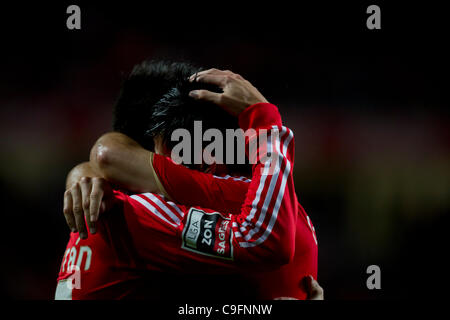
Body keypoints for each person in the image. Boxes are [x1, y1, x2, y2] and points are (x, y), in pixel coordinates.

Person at [57, 62, 319, 299]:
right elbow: (109, 155)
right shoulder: (132, 212)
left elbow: (108, 155)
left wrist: (83, 170)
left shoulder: (111, 206)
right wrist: (264, 122)